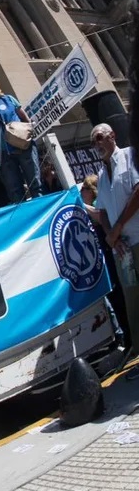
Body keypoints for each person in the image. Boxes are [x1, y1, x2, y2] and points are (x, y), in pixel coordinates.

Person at [91, 123, 139, 352]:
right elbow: (101, 210)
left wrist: (118, 226)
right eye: (93, 141)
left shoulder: (130, 155)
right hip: (122, 250)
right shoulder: (101, 174)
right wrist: (113, 236)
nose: (97, 143)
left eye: (100, 137)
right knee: (133, 304)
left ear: (113, 135)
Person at [0, 75, 41, 205]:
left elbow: (25, 119)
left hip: (24, 147)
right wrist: (1, 153)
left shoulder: (8, 99)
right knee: (15, 192)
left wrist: (28, 138)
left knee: (35, 184)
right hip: (5, 156)